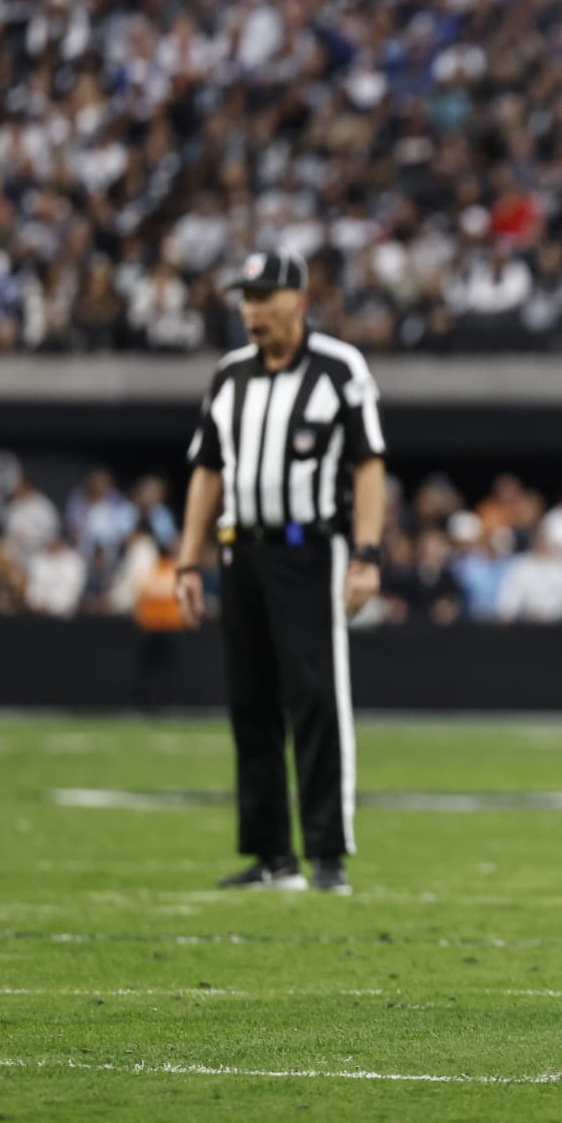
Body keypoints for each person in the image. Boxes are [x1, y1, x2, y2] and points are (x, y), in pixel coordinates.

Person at [173, 249, 387, 895]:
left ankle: (326, 855)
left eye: (265, 297)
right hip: (240, 553)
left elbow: (368, 463)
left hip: (308, 551)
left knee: (317, 699)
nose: (253, 310)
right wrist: (188, 558)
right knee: (250, 703)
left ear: (298, 299)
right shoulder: (230, 374)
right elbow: (207, 470)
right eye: (246, 297)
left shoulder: (340, 368)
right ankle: (271, 855)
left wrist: (367, 554)